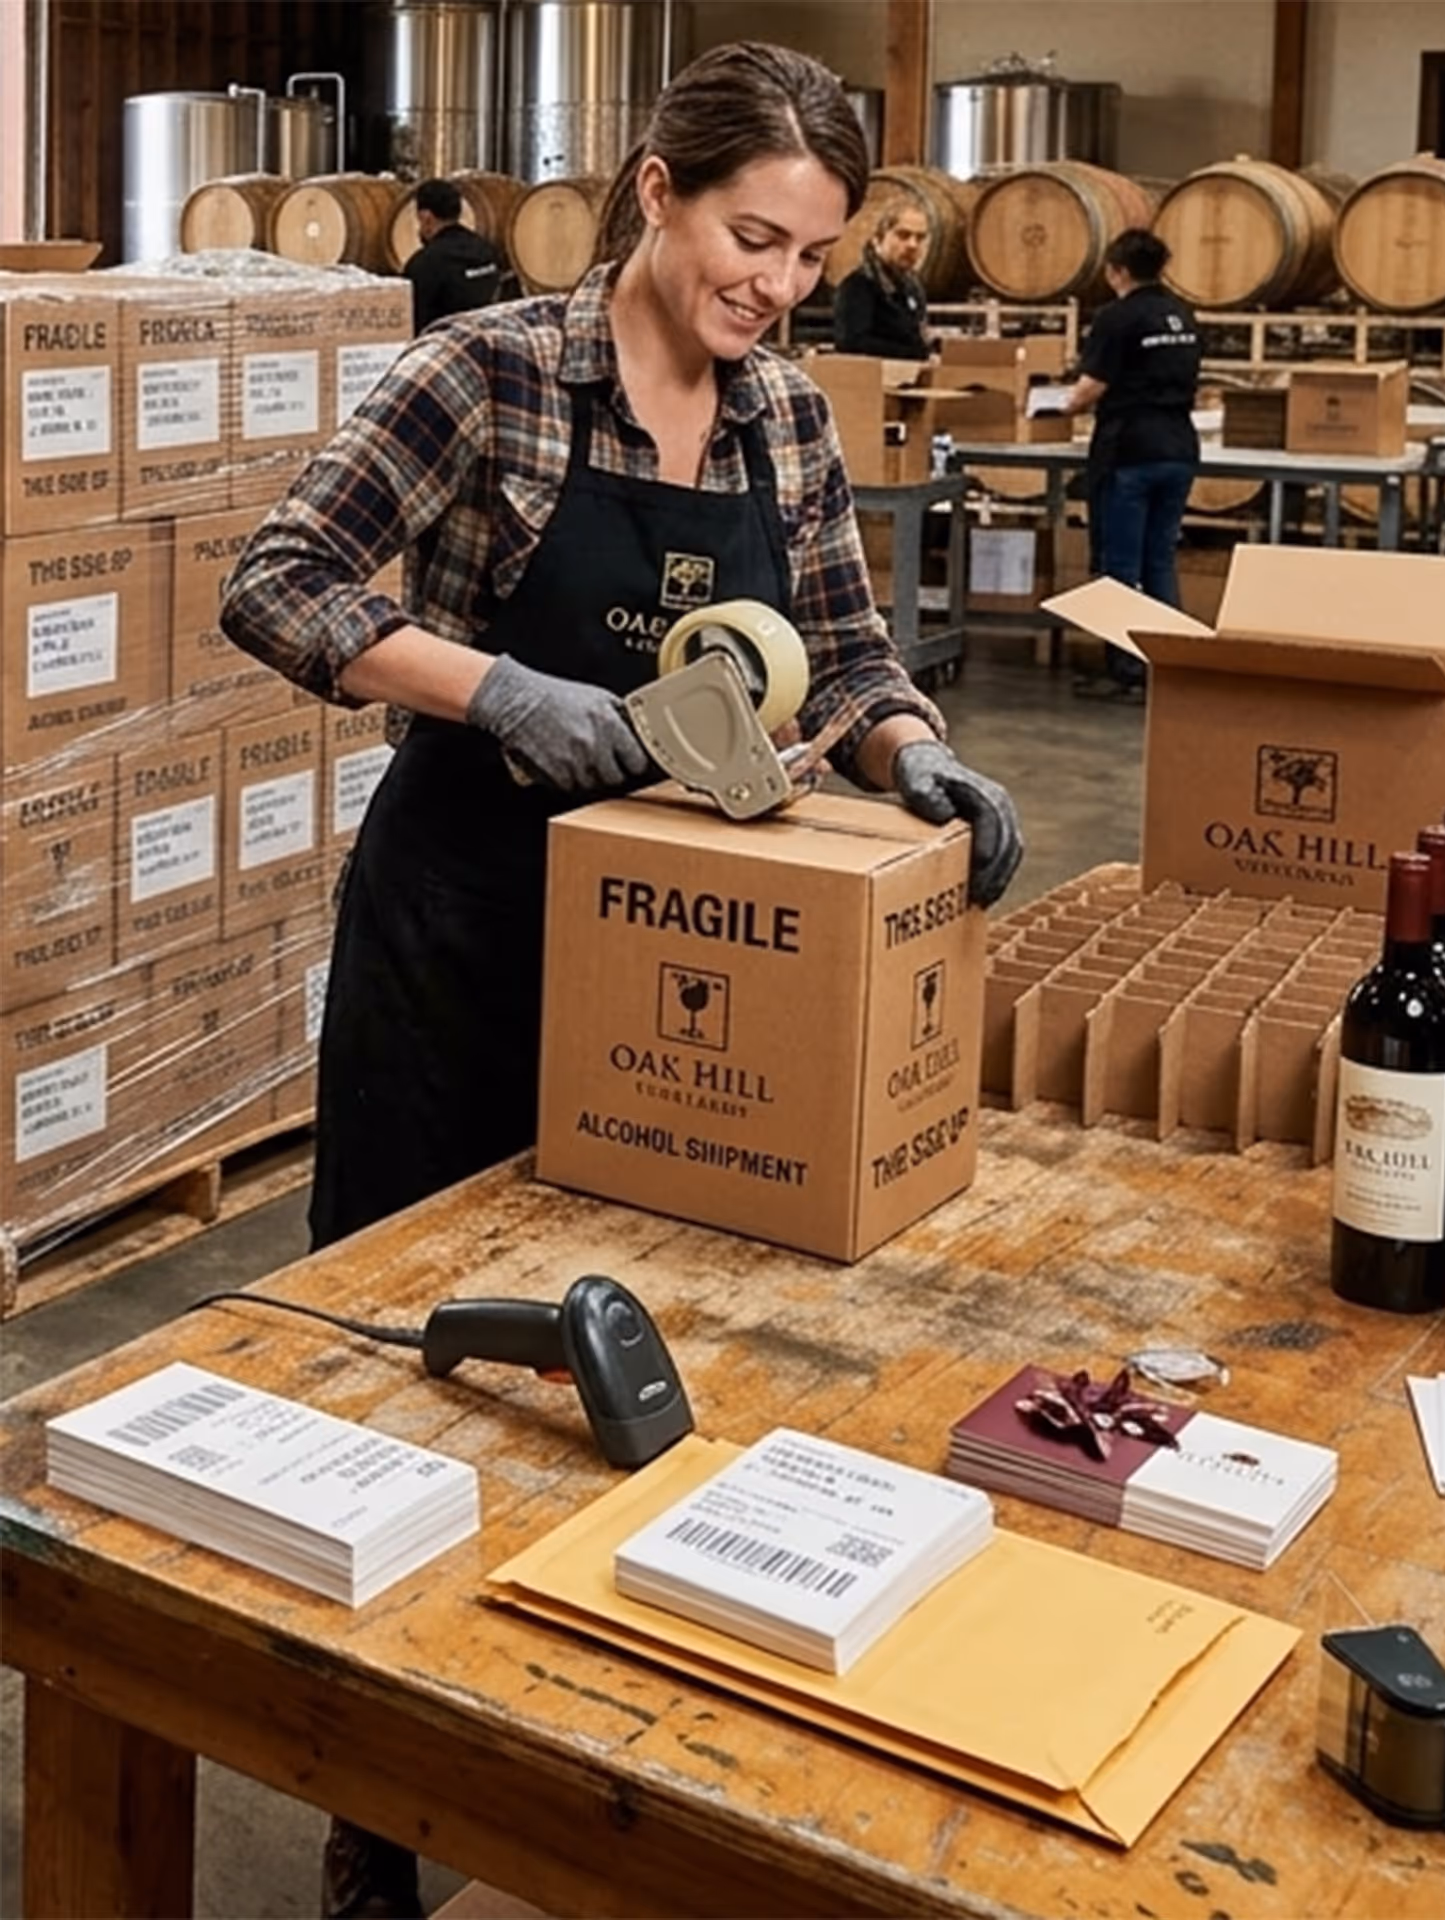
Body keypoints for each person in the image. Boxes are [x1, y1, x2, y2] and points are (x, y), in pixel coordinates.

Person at [221, 43, 1021, 1912]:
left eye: (811, 257)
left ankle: (604, 1753)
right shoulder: (486, 370)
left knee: (661, 1358)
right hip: (464, 934)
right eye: (753, 238)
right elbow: (280, 580)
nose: (778, 287)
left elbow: (846, 650)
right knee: (427, 1367)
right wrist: (494, 687)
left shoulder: (784, 414)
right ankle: (377, 1819)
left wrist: (918, 756)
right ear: (657, 190)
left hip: (679, 945)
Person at [1062, 228, 1202, 701]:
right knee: (1159, 559)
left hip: (1130, 452)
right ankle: (1170, 667)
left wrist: (1057, 408)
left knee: (1119, 565)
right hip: (1178, 448)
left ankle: (1126, 670)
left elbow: (1091, 387)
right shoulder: (1183, 314)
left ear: (1116, 271)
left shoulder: (1116, 317)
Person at [402, 177, 505, 333]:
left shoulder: (424, 264)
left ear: (426, 217)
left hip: (442, 344)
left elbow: (409, 323)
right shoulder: (487, 250)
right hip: (485, 340)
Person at [831, 201, 932, 359]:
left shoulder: (912, 288)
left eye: (920, 238)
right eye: (903, 235)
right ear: (878, 239)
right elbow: (851, 344)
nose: (912, 245)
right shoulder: (859, 286)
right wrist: (915, 354)